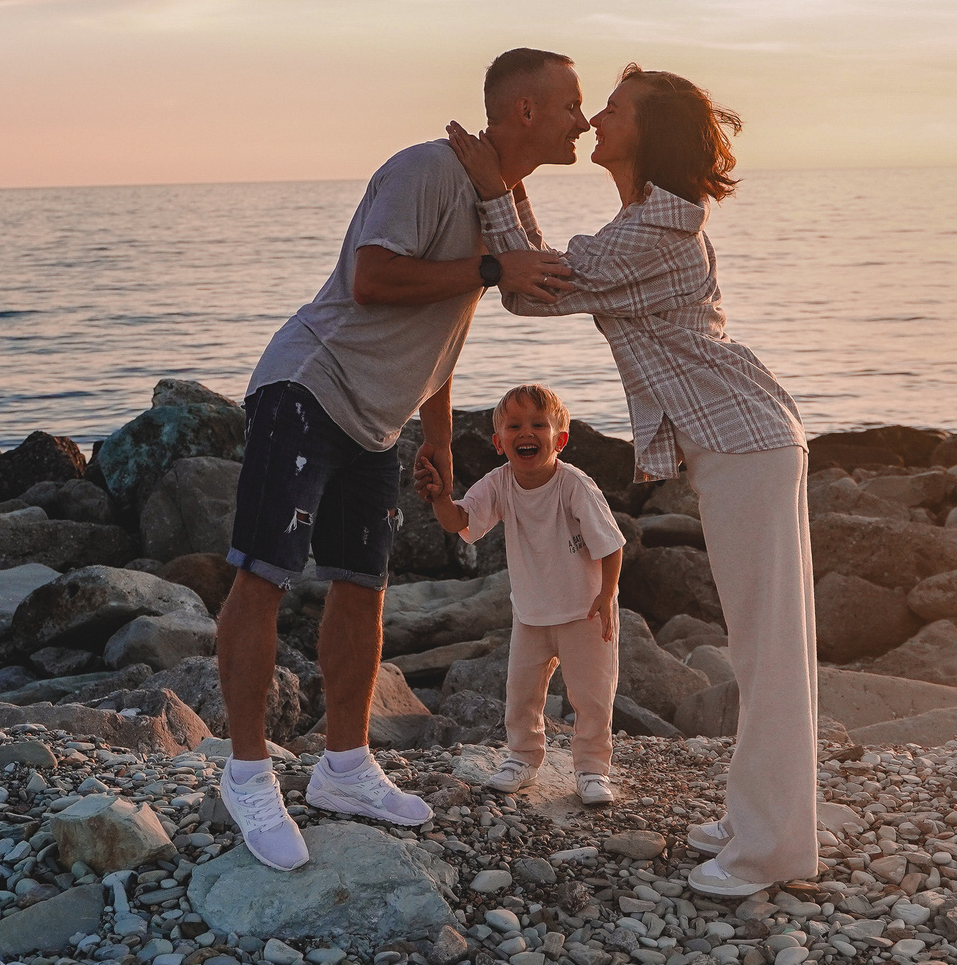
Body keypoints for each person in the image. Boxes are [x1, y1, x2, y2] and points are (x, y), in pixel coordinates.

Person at [211, 48, 590, 873]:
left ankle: (344, 766)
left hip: (380, 421)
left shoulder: (500, 198)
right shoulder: (428, 169)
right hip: (311, 384)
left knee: (363, 587)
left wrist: (441, 436)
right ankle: (246, 773)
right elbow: (373, 277)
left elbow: (448, 322)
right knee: (263, 573)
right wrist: (492, 265)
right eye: (570, 104)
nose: (583, 120)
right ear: (522, 110)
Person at [445, 65, 815, 898]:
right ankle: (760, 816)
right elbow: (537, 283)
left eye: (609, 109)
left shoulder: (658, 228)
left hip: (746, 443)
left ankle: (772, 847)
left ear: (648, 133)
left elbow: (533, 293)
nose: (594, 120)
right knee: (767, 647)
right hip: (742, 441)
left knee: (769, 654)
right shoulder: (645, 221)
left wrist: (494, 186)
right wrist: (502, 195)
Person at [414, 382, 628, 807]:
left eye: (538, 424)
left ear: (559, 439)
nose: (526, 432)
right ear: (499, 442)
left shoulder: (574, 486)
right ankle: (522, 758)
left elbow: (612, 543)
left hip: (585, 610)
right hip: (530, 612)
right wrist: (439, 496)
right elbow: (459, 520)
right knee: (522, 693)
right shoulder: (499, 484)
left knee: (591, 696)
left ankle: (591, 769)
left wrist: (607, 595)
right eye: (514, 426)